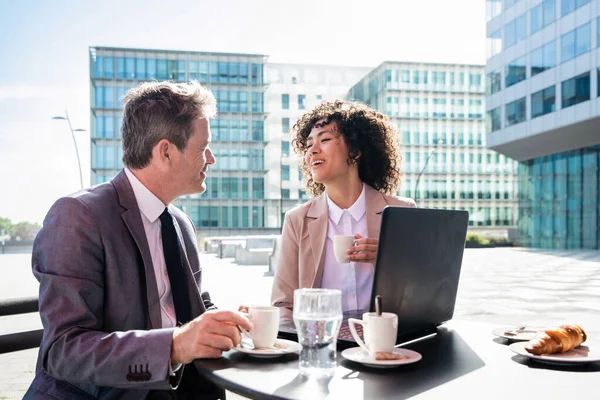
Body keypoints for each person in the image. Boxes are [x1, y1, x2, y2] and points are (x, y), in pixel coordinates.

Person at [25, 81, 252, 400]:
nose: (211, 159)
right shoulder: (78, 216)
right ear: (166, 152)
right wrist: (174, 346)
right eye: (203, 148)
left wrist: (231, 322)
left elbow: (192, 308)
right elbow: (63, 351)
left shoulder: (180, 223)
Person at [271, 100, 416, 320]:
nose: (312, 151)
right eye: (309, 145)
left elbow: (419, 295)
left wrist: (386, 262)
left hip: (382, 345)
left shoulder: (401, 212)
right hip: (322, 344)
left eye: (325, 140)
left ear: (356, 151)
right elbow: (283, 304)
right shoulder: (296, 220)